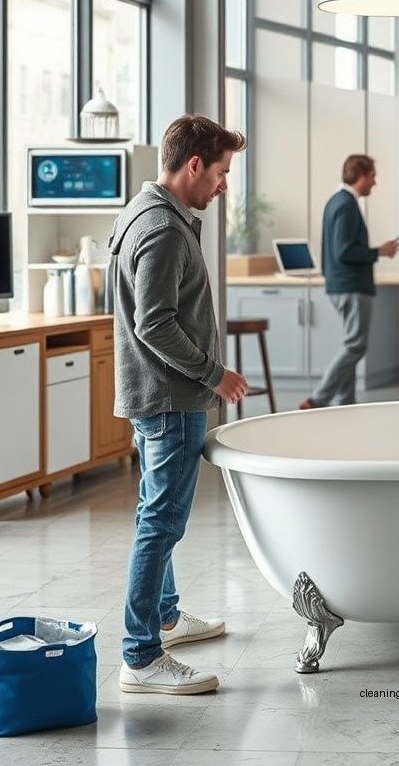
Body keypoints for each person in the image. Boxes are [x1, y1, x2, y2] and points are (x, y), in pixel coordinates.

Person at [109, 114, 249, 696]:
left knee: (154, 515)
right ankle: (141, 655)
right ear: (194, 165)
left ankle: (166, 617)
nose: (223, 185)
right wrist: (215, 375)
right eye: (220, 172)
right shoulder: (163, 229)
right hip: (169, 400)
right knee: (161, 523)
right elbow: (155, 324)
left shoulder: (143, 212)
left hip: (156, 396)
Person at [299, 154, 399, 409]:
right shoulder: (346, 204)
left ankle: (346, 404)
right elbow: (344, 251)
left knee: (350, 345)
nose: (374, 183)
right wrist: (381, 251)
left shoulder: (336, 201)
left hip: (341, 285)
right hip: (351, 285)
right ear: (362, 175)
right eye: (373, 177)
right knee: (356, 346)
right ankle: (319, 399)